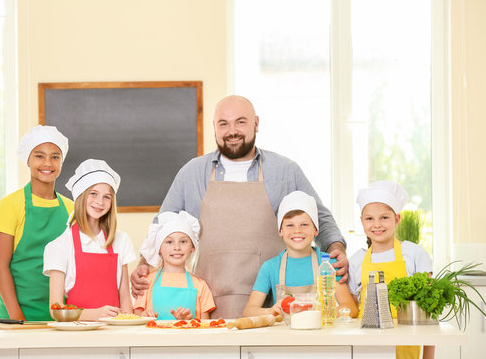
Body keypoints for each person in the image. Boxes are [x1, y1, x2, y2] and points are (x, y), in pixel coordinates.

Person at [132, 95, 348, 319]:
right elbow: (162, 225)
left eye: (241, 122)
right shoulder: (192, 173)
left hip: (273, 306)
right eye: (223, 123)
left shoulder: (286, 171)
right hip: (209, 303)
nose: (232, 130)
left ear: (256, 123)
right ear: (214, 128)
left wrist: (337, 249)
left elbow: (320, 218)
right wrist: (145, 264)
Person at [0, 125, 72, 321]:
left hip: (61, 317)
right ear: (27, 160)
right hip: (18, 315)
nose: (47, 163)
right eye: (39, 156)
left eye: (55, 156)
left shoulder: (71, 208)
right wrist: (18, 318)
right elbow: (0, 267)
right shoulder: (10, 205)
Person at [348, 180, 433, 359]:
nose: (377, 224)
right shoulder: (356, 260)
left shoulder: (415, 254)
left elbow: (429, 311)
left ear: (397, 219)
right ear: (362, 221)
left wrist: (428, 356)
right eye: (369, 218)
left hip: (406, 342)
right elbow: (352, 310)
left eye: (384, 217)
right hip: (367, 345)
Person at [43, 159, 136, 320]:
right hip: (77, 335)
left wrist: (128, 327)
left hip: (113, 332)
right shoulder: (59, 246)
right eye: (93, 194)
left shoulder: (121, 241)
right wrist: (95, 314)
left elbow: (125, 298)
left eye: (107, 197)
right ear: (81, 196)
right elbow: (55, 309)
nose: (100, 202)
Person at [243, 191, 358, 318]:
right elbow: (249, 311)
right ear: (280, 231)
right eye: (290, 225)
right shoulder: (270, 267)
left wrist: (319, 315)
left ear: (316, 230)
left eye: (304, 225)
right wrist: (271, 311)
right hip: (283, 336)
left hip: (320, 335)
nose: (297, 231)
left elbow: (351, 308)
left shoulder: (328, 264)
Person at [133, 211, 215, 320]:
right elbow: (135, 322)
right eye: (169, 242)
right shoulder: (146, 283)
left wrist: (187, 321)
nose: (177, 247)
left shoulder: (200, 286)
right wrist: (144, 317)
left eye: (183, 241)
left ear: (192, 248)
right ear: (159, 249)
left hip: (188, 337)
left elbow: (206, 327)